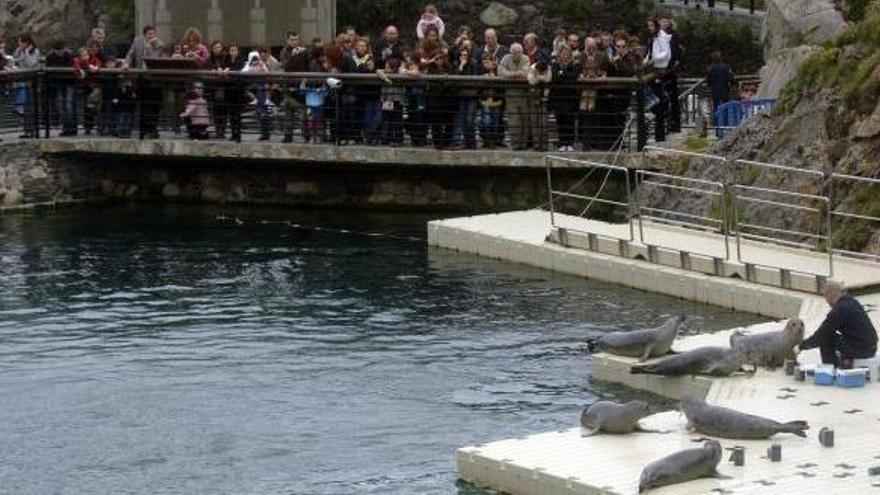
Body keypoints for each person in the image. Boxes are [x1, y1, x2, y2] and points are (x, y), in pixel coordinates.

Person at [800, 282, 879, 368]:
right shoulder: (852, 301)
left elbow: (821, 335)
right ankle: (845, 362)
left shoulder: (839, 310)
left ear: (829, 297)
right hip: (872, 346)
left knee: (827, 339)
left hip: (862, 350)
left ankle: (831, 370)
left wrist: (801, 346)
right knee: (840, 338)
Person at [123, 25, 164, 139]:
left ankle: (152, 130)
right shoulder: (137, 41)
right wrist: (126, 63)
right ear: (145, 34)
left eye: (153, 33)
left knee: (154, 105)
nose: (152, 35)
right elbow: (130, 54)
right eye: (149, 33)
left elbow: (154, 59)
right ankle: (143, 131)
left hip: (154, 78)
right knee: (144, 105)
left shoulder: (159, 44)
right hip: (141, 77)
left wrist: (150, 46)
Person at [498, 42, 531, 150]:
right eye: (514, 52)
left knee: (525, 120)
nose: (516, 54)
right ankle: (515, 144)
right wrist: (516, 74)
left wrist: (511, 75)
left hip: (524, 95)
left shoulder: (526, 58)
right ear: (510, 52)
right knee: (513, 120)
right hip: (510, 95)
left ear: (522, 52)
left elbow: (526, 73)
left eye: (518, 52)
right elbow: (501, 72)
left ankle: (524, 143)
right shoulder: (506, 58)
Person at [643, 18, 671, 142]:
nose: (649, 28)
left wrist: (655, 59)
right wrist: (645, 61)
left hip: (659, 69)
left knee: (657, 98)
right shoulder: (652, 39)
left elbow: (666, 53)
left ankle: (660, 133)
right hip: (653, 67)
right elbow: (649, 53)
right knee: (657, 99)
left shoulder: (661, 37)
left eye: (651, 26)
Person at [550, 45, 579, 151]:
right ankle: (562, 142)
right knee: (560, 120)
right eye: (562, 53)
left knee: (570, 120)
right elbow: (554, 77)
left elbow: (573, 77)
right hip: (558, 96)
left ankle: (569, 143)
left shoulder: (574, 65)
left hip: (570, 96)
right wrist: (563, 75)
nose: (564, 55)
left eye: (567, 53)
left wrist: (562, 74)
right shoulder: (555, 65)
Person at [45, 40, 76, 136]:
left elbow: (70, 68)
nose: (59, 53)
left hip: (69, 83)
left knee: (69, 105)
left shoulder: (69, 56)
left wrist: (58, 69)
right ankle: (65, 127)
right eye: (57, 51)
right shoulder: (50, 57)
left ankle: (71, 128)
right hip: (57, 84)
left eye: (61, 51)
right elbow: (49, 70)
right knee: (60, 106)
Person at [13, 33, 40, 138]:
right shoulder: (19, 50)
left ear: (26, 42)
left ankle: (31, 130)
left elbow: (31, 64)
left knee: (30, 106)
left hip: (31, 81)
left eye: (20, 41)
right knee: (25, 106)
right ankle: (26, 130)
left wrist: (27, 53)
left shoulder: (35, 51)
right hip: (21, 80)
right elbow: (14, 60)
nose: (19, 43)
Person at [74, 46, 102, 135]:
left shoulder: (94, 59)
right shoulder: (78, 60)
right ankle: (87, 127)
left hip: (94, 85)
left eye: (86, 54)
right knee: (86, 107)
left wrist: (95, 68)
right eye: (82, 55)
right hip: (84, 86)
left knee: (92, 106)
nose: (84, 56)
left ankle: (92, 125)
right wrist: (80, 70)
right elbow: (76, 64)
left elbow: (98, 64)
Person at [478, 53, 503, 149]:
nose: (486, 64)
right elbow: (478, 88)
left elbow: (502, 86)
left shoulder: (498, 71)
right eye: (484, 62)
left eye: (488, 62)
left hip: (497, 100)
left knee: (496, 122)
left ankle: (493, 140)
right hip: (485, 101)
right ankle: (486, 140)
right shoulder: (480, 71)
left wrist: (494, 76)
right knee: (486, 121)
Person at [707, 51, 733, 123]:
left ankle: (716, 122)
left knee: (715, 106)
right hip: (725, 89)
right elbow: (731, 77)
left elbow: (708, 81)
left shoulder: (710, 69)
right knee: (725, 106)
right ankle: (726, 122)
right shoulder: (726, 67)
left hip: (715, 90)